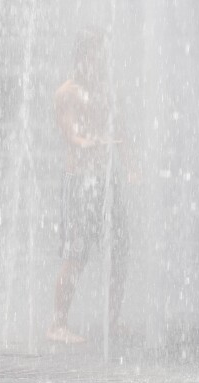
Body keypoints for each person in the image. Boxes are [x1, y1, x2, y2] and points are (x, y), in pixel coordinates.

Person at [46, 28, 136, 344]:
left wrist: (131, 167)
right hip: (80, 181)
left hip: (106, 181)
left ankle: (112, 320)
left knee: (121, 249)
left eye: (104, 53)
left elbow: (121, 129)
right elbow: (69, 134)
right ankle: (57, 325)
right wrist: (88, 142)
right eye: (97, 52)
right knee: (77, 253)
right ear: (83, 55)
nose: (102, 59)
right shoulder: (67, 92)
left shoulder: (106, 89)